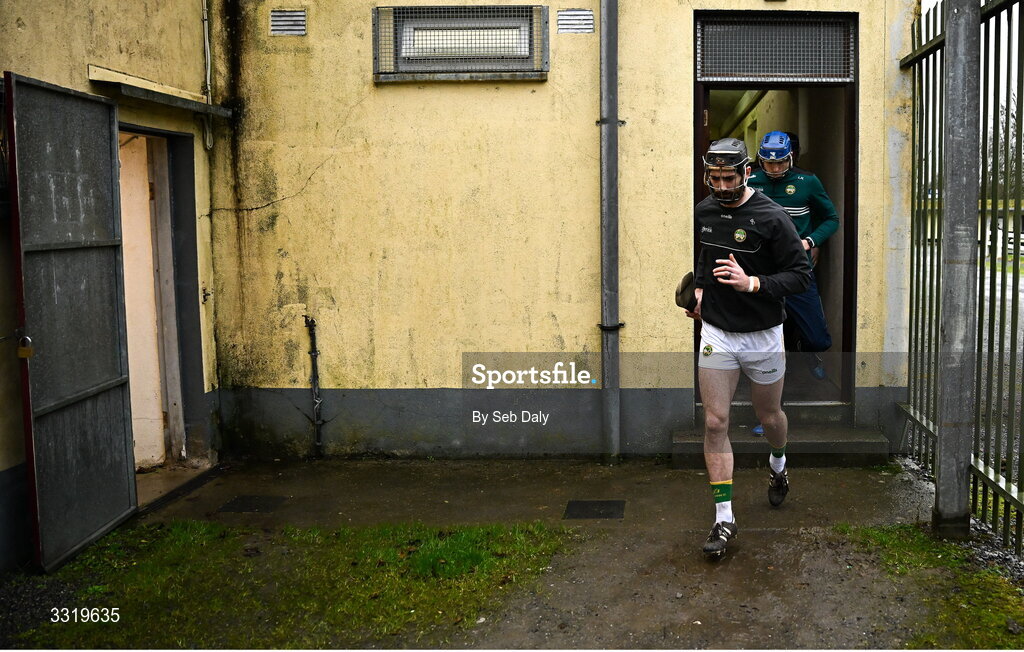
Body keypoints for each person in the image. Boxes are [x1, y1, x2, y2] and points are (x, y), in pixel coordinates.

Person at [686, 137, 811, 558]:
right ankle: (724, 519)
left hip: (763, 334)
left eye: (728, 177)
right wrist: (701, 290)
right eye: (714, 178)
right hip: (717, 331)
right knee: (716, 423)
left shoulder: (773, 217)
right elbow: (707, 254)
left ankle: (778, 466)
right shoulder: (705, 210)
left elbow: (800, 276)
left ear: (745, 173)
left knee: (769, 416)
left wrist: (753, 283)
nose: (721, 186)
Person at [749, 130, 838, 376]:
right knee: (760, 334)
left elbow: (831, 219)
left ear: (791, 157)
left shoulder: (808, 181)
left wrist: (811, 241)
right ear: (760, 159)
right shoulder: (750, 181)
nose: (775, 169)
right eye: (769, 162)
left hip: (798, 270)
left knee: (818, 339)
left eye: (780, 162)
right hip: (762, 272)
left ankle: (805, 349)